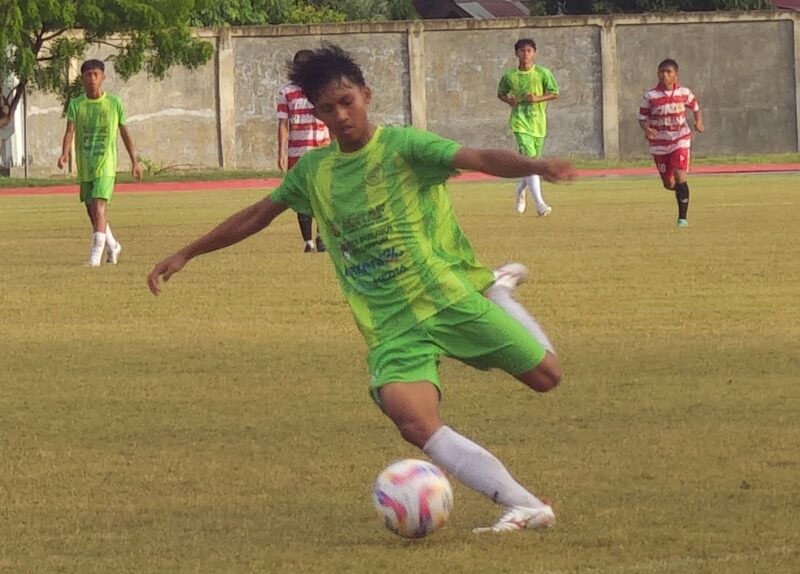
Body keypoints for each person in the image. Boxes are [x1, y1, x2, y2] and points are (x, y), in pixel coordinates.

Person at [147, 45, 576, 533]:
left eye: (347, 101)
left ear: (366, 95)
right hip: (391, 325)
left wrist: (537, 167)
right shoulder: (314, 171)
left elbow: (477, 156)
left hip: (446, 298)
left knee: (547, 377)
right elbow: (257, 214)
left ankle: (498, 292)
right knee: (414, 422)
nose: (341, 115)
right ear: (316, 113)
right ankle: (523, 505)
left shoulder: (404, 147)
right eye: (328, 109)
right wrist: (187, 252)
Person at [57, 59, 142, 266]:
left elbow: (125, 133)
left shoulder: (114, 103)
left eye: (96, 74)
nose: (92, 78)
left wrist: (134, 161)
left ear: (103, 77)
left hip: (106, 164)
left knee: (99, 208)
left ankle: (94, 258)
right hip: (86, 165)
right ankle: (113, 245)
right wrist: (64, 153)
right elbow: (70, 131)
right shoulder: (77, 104)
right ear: (82, 78)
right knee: (91, 211)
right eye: (88, 75)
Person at [638, 58, 704, 227]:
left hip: (680, 139)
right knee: (669, 184)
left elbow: (695, 107)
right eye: (662, 72)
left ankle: (682, 219)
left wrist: (698, 122)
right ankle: (683, 192)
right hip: (660, 144)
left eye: (669, 72)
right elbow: (642, 118)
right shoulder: (650, 96)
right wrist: (646, 130)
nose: (665, 75)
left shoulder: (684, 93)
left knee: (680, 174)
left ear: (676, 75)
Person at [277, 49, 332, 253]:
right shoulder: (286, 92)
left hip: (322, 149)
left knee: (322, 194)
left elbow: (331, 118)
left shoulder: (322, 89)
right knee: (302, 196)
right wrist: (281, 152)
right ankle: (308, 241)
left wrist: (336, 145)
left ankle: (321, 238)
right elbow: (283, 124)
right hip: (297, 152)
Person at [497, 38, 560, 217]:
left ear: (534, 53)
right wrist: (509, 100)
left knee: (533, 165)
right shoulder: (510, 76)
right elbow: (501, 93)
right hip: (520, 123)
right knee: (532, 162)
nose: (525, 54)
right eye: (522, 51)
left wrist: (538, 98)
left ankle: (520, 190)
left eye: (529, 51)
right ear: (516, 53)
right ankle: (540, 205)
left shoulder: (542, 73)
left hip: (538, 123)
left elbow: (554, 93)